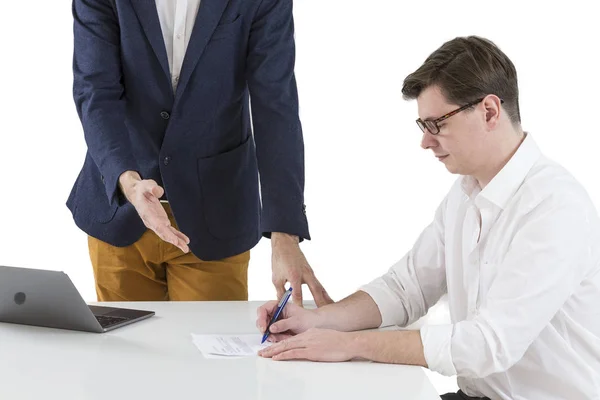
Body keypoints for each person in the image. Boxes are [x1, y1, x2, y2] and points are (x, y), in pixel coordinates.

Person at [256, 36, 600, 400]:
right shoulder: (467, 194)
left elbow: (487, 345)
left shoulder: (555, 207)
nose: (425, 142)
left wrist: (350, 344)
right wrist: (316, 321)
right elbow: (406, 290)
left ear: (489, 111)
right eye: (422, 125)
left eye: (436, 124)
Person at [67, 0, 332, 306]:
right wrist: (128, 182)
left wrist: (285, 233)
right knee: (125, 351)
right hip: (122, 206)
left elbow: (275, 106)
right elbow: (95, 91)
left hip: (216, 210)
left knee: (211, 350)